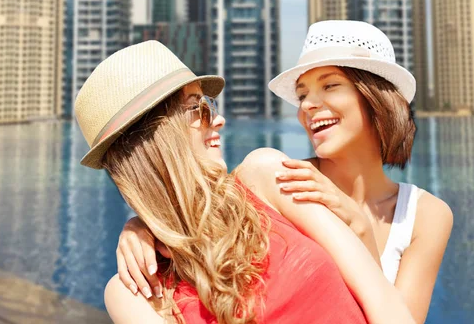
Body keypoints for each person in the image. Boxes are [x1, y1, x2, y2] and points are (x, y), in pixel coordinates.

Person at [117, 21, 453, 323]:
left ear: (375, 96)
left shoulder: (425, 214)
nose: (307, 104)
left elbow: (397, 313)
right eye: (303, 94)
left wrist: (361, 229)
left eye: (330, 85)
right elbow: (206, 205)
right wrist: (140, 227)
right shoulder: (284, 179)